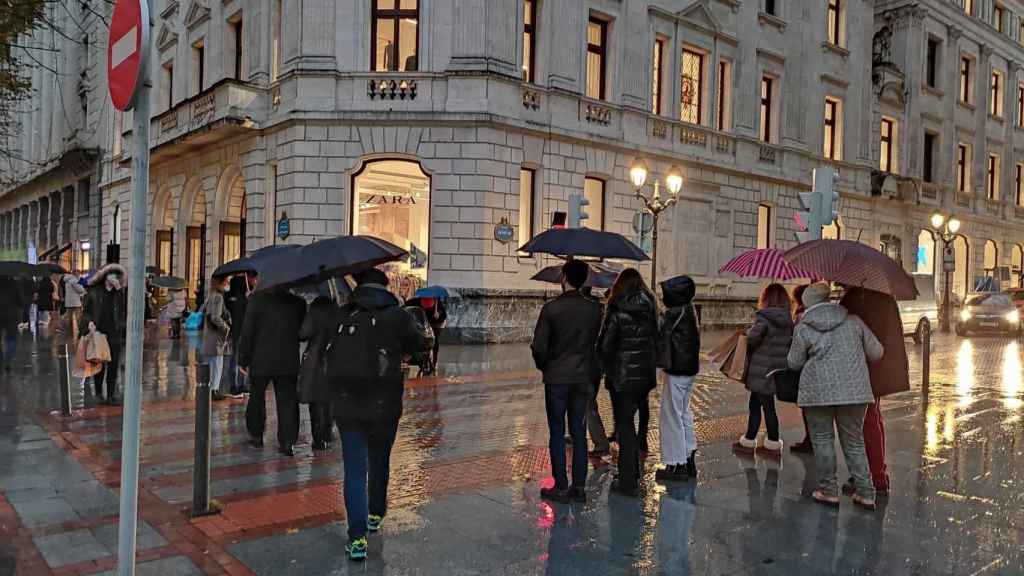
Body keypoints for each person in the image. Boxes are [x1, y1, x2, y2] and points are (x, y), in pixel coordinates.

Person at [330, 269, 427, 561]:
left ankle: (357, 538)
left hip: (347, 403)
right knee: (380, 460)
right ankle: (375, 514)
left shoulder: (344, 313)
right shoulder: (398, 315)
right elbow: (420, 348)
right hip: (385, 404)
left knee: (355, 470)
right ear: (386, 286)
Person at [788, 282, 883, 510]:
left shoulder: (803, 327)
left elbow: (793, 362)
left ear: (807, 303)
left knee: (822, 440)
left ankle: (829, 491)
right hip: (855, 392)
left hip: (818, 393)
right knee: (854, 442)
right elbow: (877, 352)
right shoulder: (854, 321)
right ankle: (867, 493)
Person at [531, 260, 603, 503]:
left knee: (557, 432)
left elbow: (539, 347)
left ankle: (561, 485)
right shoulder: (595, 310)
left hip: (557, 378)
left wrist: (547, 366)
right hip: (583, 377)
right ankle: (579, 487)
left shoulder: (551, 309)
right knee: (579, 432)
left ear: (564, 278)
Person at [840, 287, 908, 496]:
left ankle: (874, 476)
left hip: (862, 369)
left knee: (864, 423)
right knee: (873, 418)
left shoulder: (856, 299)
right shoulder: (885, 298)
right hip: (880, 369)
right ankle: (875, 472)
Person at [599, 268, 658, 497]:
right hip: (643, 378)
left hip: (621, 378)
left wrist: (603, 364)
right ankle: (632, 473)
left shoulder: (616, 309)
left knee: (624, 426)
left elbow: (605, 346)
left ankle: (627, 481)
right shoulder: (651, 308)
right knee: (629, 424)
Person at [237, 276, 306, 456]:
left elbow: (248, 331)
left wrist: (243, 358)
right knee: (288, 401)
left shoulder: (257, 301)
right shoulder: (298, 303)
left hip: (261, 359)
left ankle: (256, 435)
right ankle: (287, 441)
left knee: (257, 397)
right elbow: (302, 333)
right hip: (288, 360)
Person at [733, 284, 793, 458]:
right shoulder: (788, 321)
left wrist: (748, 332)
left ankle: (769, 444)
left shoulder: (764, 319)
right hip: (776, 370)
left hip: (760, 372)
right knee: (758, 405)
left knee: (765, 407)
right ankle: (750, 439)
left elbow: (752, 340)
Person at [655, 275, 701, 481]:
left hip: (677, 369)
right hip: (688, 369)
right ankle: (688, 456)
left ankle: (677, 464)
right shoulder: (689, 308)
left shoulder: (675, 312)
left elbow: (658, 330)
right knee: (683, 413)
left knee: (672, 416)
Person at [81, 264, 128, 405]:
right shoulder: (94, 291)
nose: (115, 278)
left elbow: (124, 310)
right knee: (99, 364)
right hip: (99, 332)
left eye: (117, 276)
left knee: (113, 365)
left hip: (115, 332)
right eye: (112, 275)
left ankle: (111, 394)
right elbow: (86, 312)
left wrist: (120, 290)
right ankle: (99, 393)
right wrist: (89, 322)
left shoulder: (120, 293)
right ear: (105, 276)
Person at [298, 291, 338, 452]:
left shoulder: (314, 311)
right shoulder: (337, 310)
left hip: (316, 359)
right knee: (329, 397)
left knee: (315, 399)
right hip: (334, 358)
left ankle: (318, 439)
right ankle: (328, 432)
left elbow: (303, 333)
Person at [790, 283, 814, 454]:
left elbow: (797, 345)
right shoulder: (816, 314)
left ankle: (810, 440)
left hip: (806, 368)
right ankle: (811, 439)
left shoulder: (801, 317)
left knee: (807, 406)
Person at [201, 276, 232, 402]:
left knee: (211, 363)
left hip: (209, 334)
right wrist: (226, 327)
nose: (228, 283)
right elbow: (215, 317)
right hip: (216, 335)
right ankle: (214, 389)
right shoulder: (218, 297)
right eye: (226, 281)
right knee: (217, 363)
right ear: (221, 283)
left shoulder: (210, 295)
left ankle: (211, 389)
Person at [224, 275, 250, 395]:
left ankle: (236, 384)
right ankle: (239, 384)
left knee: (235, 358)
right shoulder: (244, 300)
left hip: (233, 332)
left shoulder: (228, 298)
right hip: (243, 332)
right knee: (240, 359)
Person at [0, 277, 26, 372]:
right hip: (12, 315)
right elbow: (21, 301)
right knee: (11, 339)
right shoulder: (15, 284)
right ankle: (8, 359)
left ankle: (1, 360)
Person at [62, 273, 86, 340]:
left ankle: (64, 328)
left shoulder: (67, 280)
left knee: (68, 315)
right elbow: (80, 290)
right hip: (75, 301)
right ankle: (80, 329)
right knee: (78, 316)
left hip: (69, 301)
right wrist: (83, 289)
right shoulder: (74, 280)